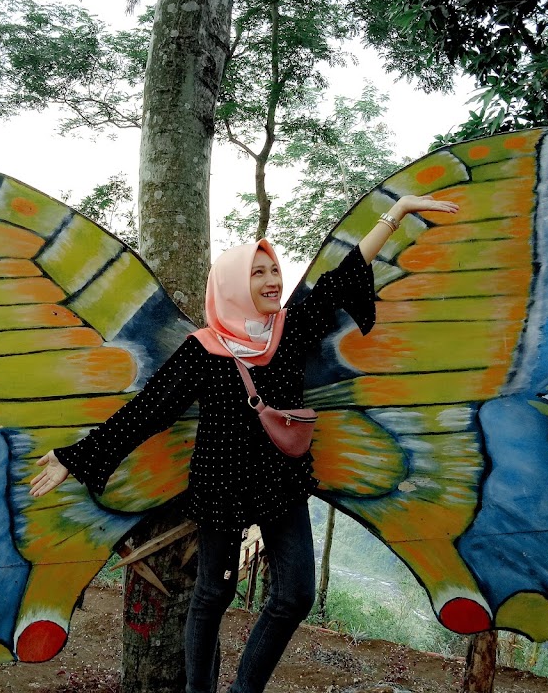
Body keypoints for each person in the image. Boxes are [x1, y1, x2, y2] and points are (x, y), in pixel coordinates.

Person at [30, 194, 458, 693]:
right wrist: (75, 457)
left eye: (274, 270)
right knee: (213, 595)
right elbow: (149, 410)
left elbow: (342, 277)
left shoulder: (290, 330)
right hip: (221, 484)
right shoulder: (203, 350)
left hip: (282, 481)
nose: (272, 280)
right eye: (258, 273)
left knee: (295, 595)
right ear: (233, 284)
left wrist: (396, 212)